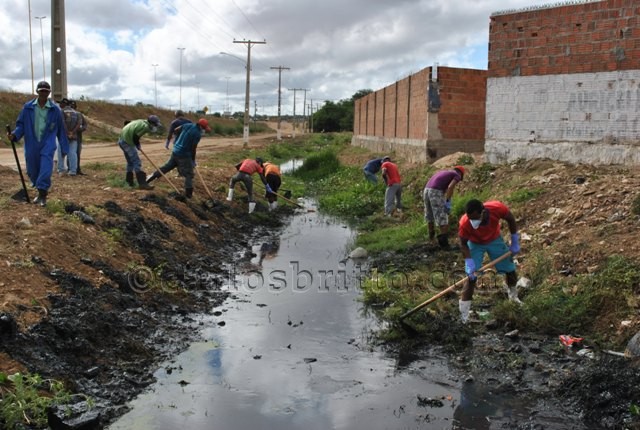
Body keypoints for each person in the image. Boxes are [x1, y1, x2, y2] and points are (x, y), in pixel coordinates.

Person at [458, 199, 521, 324]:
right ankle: (464, 315)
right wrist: (469, 262)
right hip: (475, 243)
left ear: (483, 212)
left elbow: (510, 219)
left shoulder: (496, 208)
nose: (473, 222)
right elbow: (463, 244)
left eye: (475, 218)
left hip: (494, 239)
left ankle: (514, 298)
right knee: (471, 278)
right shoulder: (465, 222)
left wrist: (514, 240)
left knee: (510, 269)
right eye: (471, 219)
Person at [7, 81, 69, 206]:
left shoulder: (55, 110)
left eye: (46, 91)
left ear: (49, 93)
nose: (44, 93)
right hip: (32, 142)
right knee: (32, 169)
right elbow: (21, 125)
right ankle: (39, 190)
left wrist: (64, 147)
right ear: (37, 91)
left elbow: (61, 130)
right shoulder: (28, 107)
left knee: (46, 168)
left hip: (47, 142)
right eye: (41, 91)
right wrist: (14, 135)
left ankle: (42, 194)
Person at [146, 118, 211, 198]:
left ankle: (149, 178)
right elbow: (193, 148)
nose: (204, 130)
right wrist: (193, 160)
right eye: (204, 128)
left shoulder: (188, 125)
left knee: (166, 167)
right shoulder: (197, 134)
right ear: (201, 127)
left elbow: (176, 130)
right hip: (184, 155)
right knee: (189, 174)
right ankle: (188, 195)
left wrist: (178, 139)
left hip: (176, 151)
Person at [423, 166, 466, 249]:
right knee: (443, 216)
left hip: (426, 190)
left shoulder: (444, 172)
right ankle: (444, 244)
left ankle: (431, 240)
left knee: (429, 215)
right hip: (435, 192)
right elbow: (450, 187)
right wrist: (448, 201)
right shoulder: (457, 175)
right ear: (461, 173)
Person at [118, 115, 162, 190]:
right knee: (137, 161)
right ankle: (142, 184)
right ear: (151, 123)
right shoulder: (145, 127)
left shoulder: (141, 121)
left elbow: (127, 122)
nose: (155, 127)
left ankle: (129, 182)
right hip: (127, 142)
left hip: (121, 140)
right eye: (155, 125)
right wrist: (138, 144)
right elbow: (136, 137)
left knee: (130, 162)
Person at [56, 98, 80, 176]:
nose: (59, 105)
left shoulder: (62, 112)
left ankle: (61, 169)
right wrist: (72, 132)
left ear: (64, 104)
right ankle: (73, 171)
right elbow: (78, 124)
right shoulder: (76, 113)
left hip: (64, 136)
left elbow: (62, 123)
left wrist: (67, 132)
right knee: (73, 153)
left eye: (61, 103)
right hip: (74, 136)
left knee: (61, 153)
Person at [70, 100, 87, 175]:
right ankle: (70, 169)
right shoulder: (66, 114)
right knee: (70, 154)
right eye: (71, 106)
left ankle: (77, 169)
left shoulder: (79, 115)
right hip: (69, 137)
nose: (72, 108)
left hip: (78, 137)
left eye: (73, 106)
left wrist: (81, 129)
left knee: (77, 153)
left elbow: (85, 125)